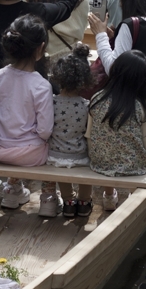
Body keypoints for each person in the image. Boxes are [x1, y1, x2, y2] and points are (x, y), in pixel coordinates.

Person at [0, 15, 54, 209]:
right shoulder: (41, 85)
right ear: (40, 48)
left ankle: (13, 190)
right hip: (30, 155)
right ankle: (48, 200)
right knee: (58, 144)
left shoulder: (1, 75)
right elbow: (45, 131)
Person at [86, 50, 146, 211]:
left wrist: (94, 158)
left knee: (109, 147)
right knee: (135, 151)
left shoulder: (97, 98)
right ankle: (134, 198)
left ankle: (109, 195)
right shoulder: (139, 106)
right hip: (132, 167)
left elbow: (89, 135)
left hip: (100, 164)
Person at [39, 45, 93, 218]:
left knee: (60, 166)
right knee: (87, 173)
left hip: (54, 155)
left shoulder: (51, 103)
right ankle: (84, 203)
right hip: (80, 155)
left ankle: (68, 202)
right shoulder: (86, 105)